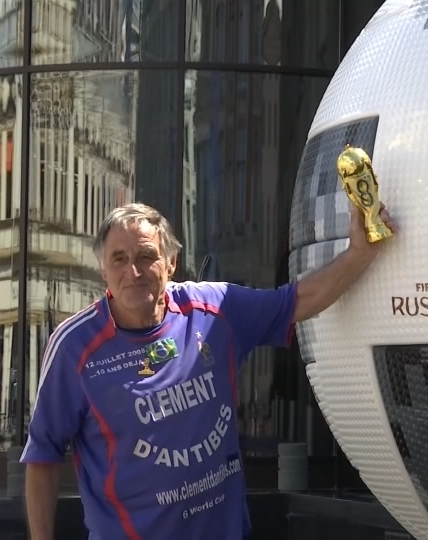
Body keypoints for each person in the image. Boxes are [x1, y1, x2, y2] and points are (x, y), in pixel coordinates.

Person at [20, 201, 395, 540]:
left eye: (147, 255)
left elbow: (295, 302)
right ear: (103, 269)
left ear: (171, 263)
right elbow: (42, 456)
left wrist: (359, 253)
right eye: (119, 258)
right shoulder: (74, 347)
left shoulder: (214, 309)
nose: (133, 271)